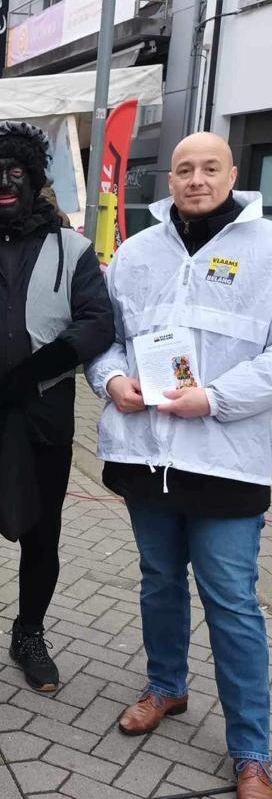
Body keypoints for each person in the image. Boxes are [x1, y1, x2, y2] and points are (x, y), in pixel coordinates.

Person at [86, 132, 272, 799]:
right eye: (186, 169)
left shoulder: (268, 249)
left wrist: (216, 399)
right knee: (159, 580)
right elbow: (101, 340)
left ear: (233, 174)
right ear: (169, 177)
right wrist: (110, 384)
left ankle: (253, 749)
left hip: (228, 459)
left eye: (210, 168)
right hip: (149, 455)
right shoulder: (135, 254)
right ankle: (166, 687)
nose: (197, 180)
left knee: (231, 602)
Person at [0, 121, 114, 698]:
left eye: (15, 174)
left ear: (33, 179)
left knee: (44, 533)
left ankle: (29, 634)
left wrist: (38, 368)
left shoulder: (74, 249)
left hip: (43, 415)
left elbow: (96, 321)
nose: (4, 184)